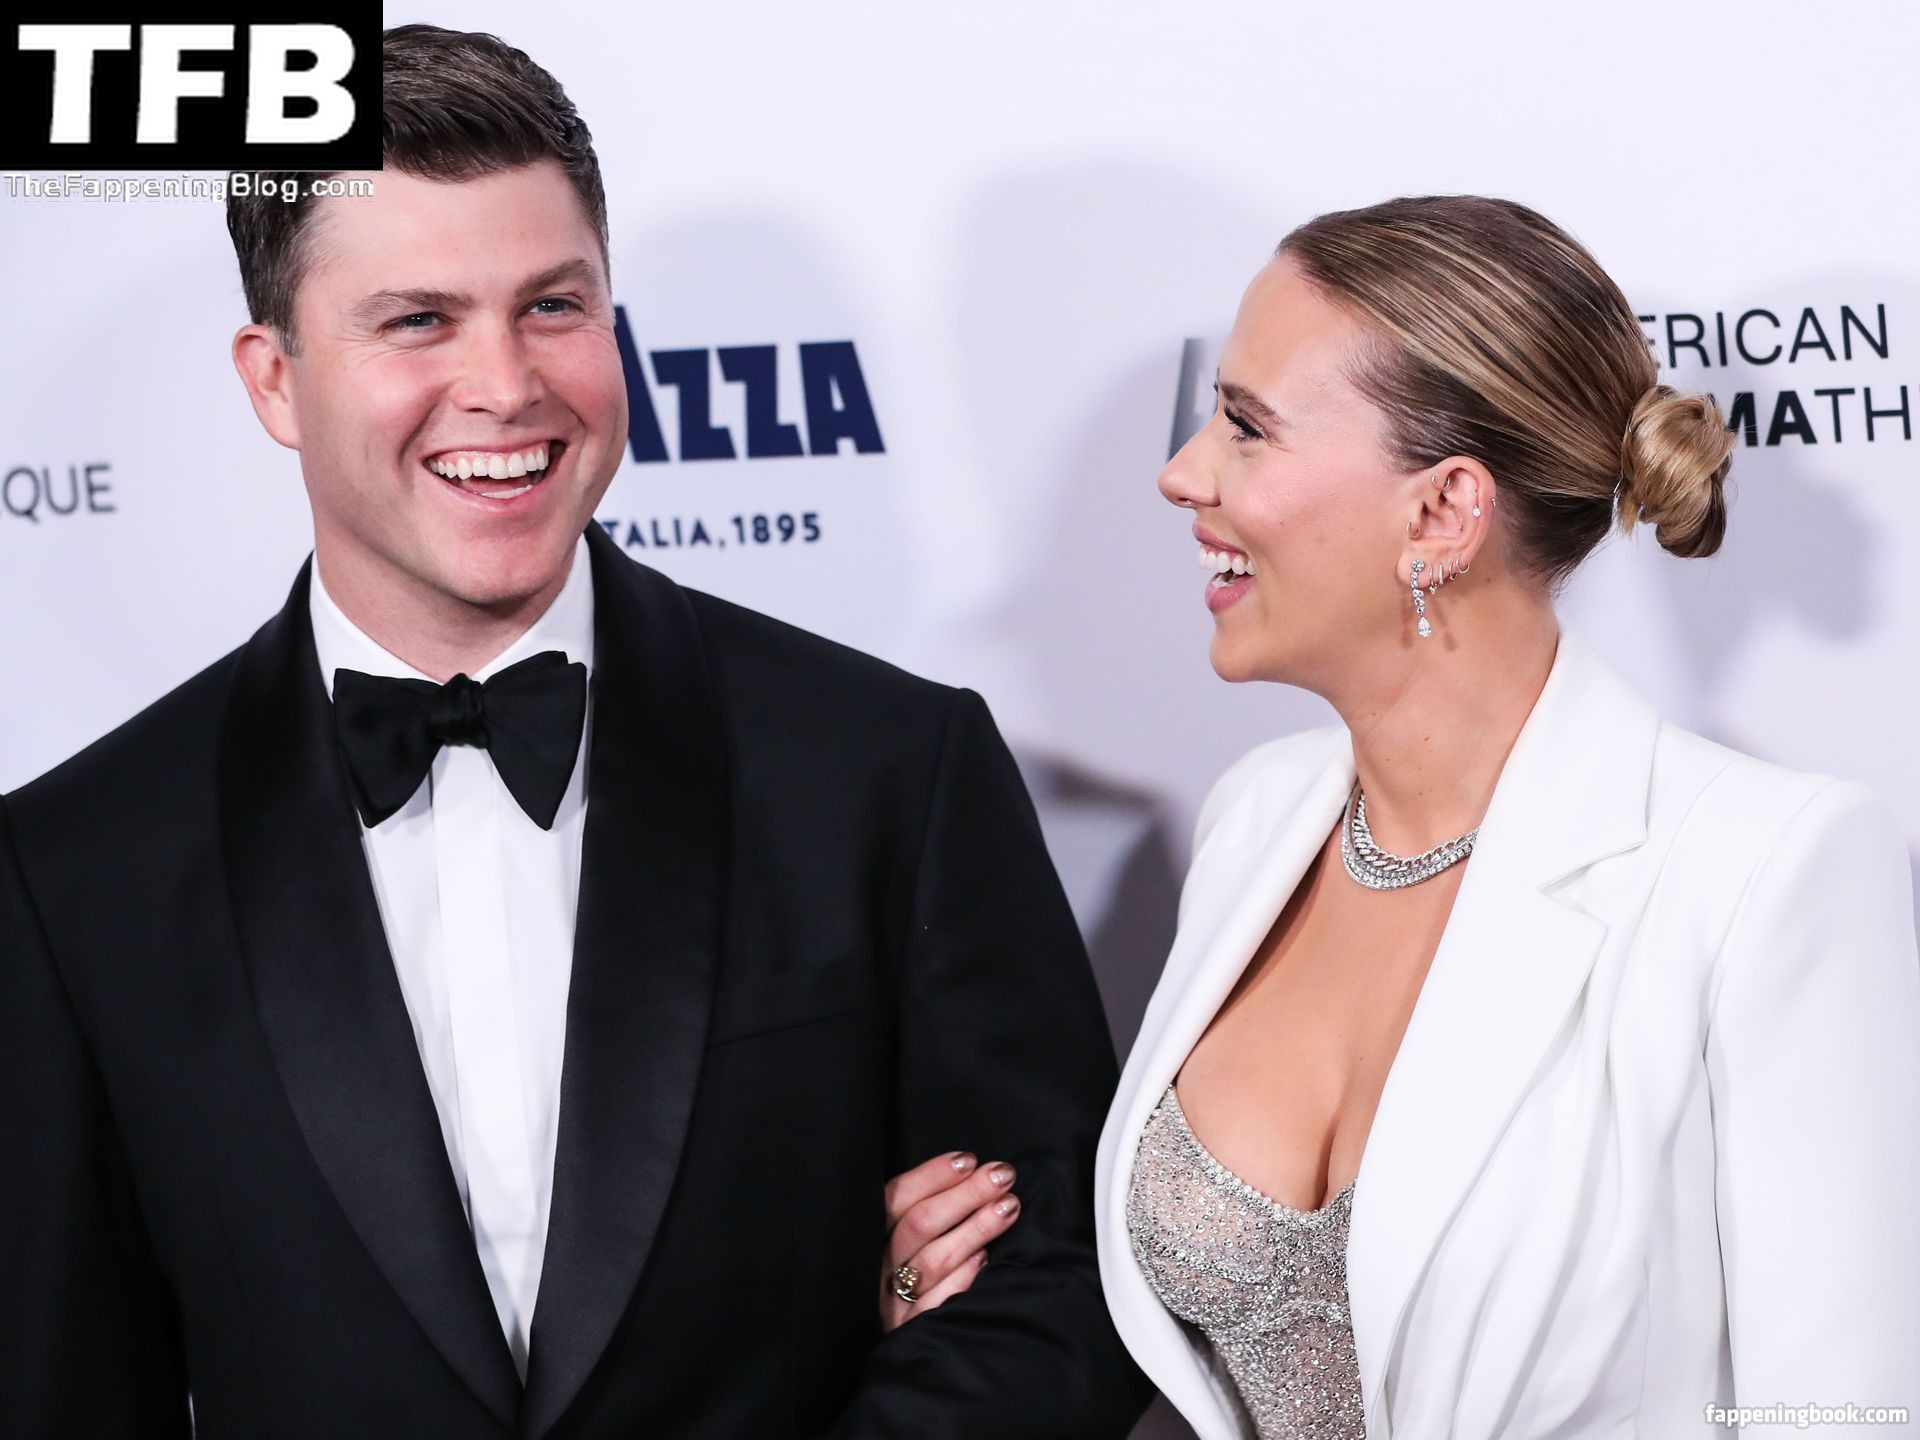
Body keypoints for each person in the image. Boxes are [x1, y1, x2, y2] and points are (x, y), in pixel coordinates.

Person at [0, 25, 1153, 1439]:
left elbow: (1060, 1287)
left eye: (553, 306)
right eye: (417, 321)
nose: (506, 384)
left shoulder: (887, 770)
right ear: (274, 379)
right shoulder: (83, 867)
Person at [885, 196, 1920, 1437]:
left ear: (1441, 513)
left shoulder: (1770, 869)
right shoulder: (1256, 824)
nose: (1182, 473)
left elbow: (1842, 1417)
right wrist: (928, 1294)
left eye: (1246, 426)